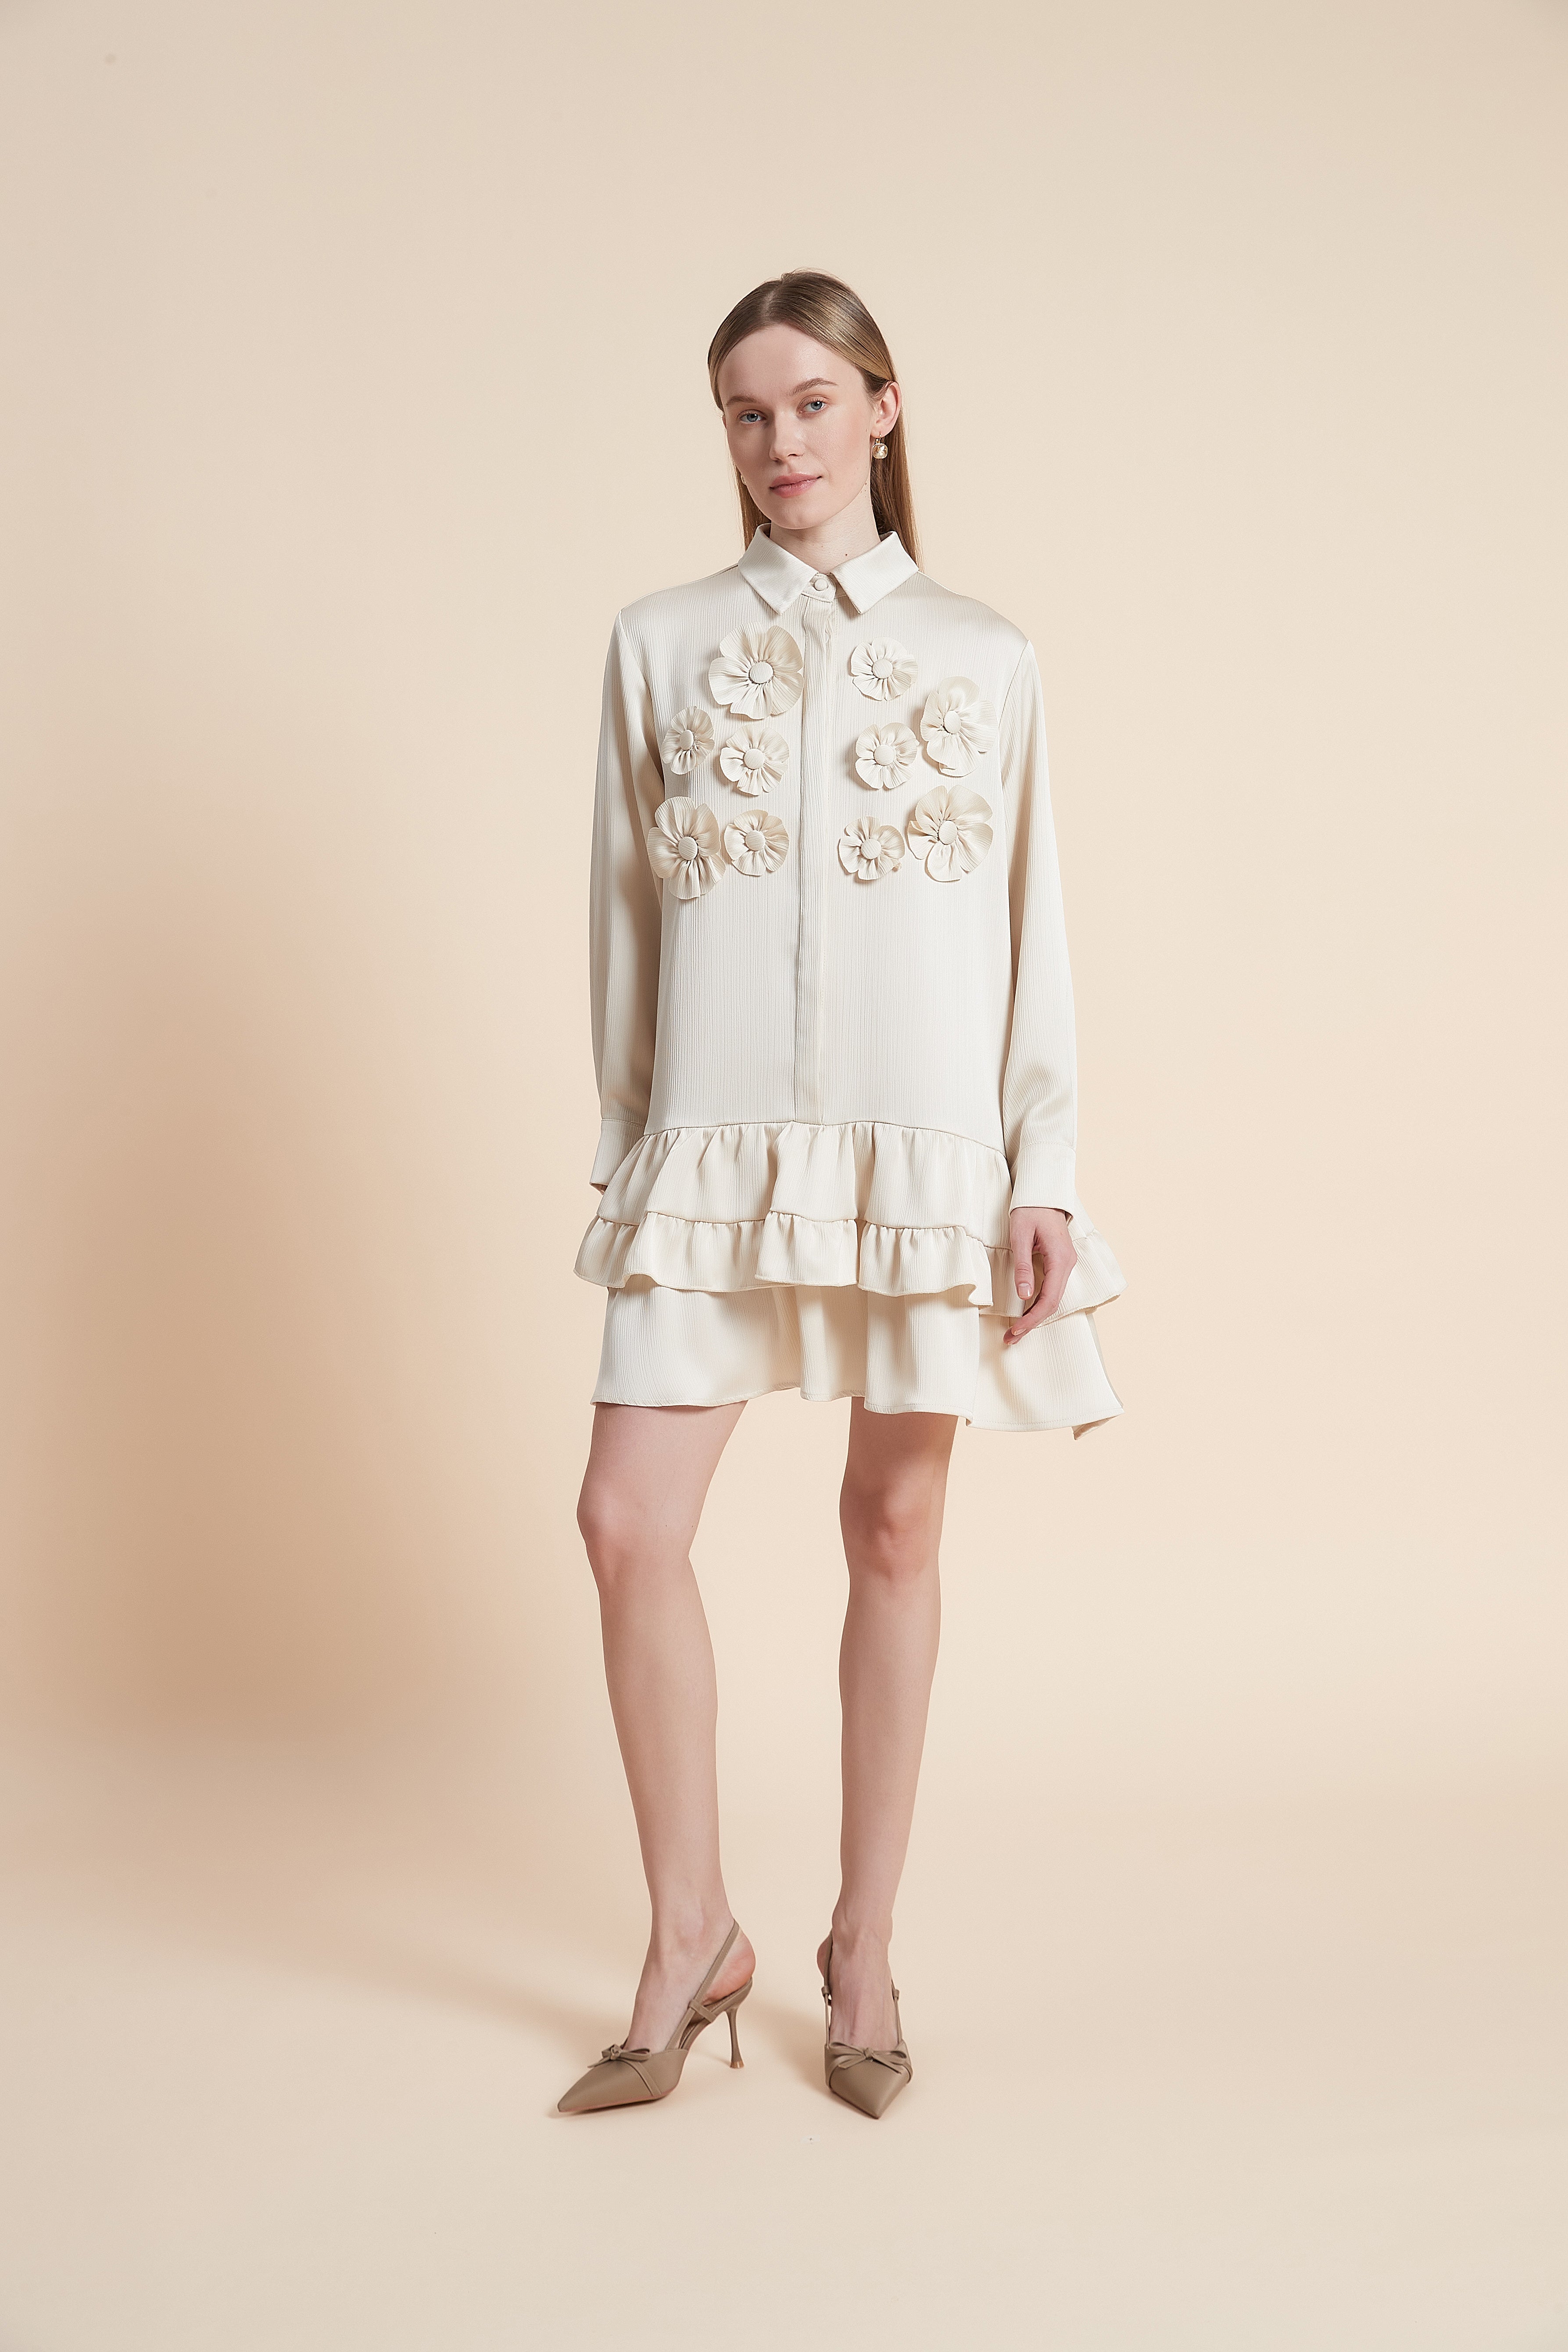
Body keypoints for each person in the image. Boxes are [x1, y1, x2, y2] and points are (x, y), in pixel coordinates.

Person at [558, 270, 1125, 2120]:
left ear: (884, 407)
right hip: (714, 1147)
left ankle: (862, 1946)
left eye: (811, 402)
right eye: (746, 412)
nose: (779, 441)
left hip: (920, 1148)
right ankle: (689, 1934)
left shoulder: (986, 653)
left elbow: (1034, 924)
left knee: (893, 1526)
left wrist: (1043, 1169)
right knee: (626, 1519)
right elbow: (623, 915)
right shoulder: (659, 642)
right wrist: (635, 1138)